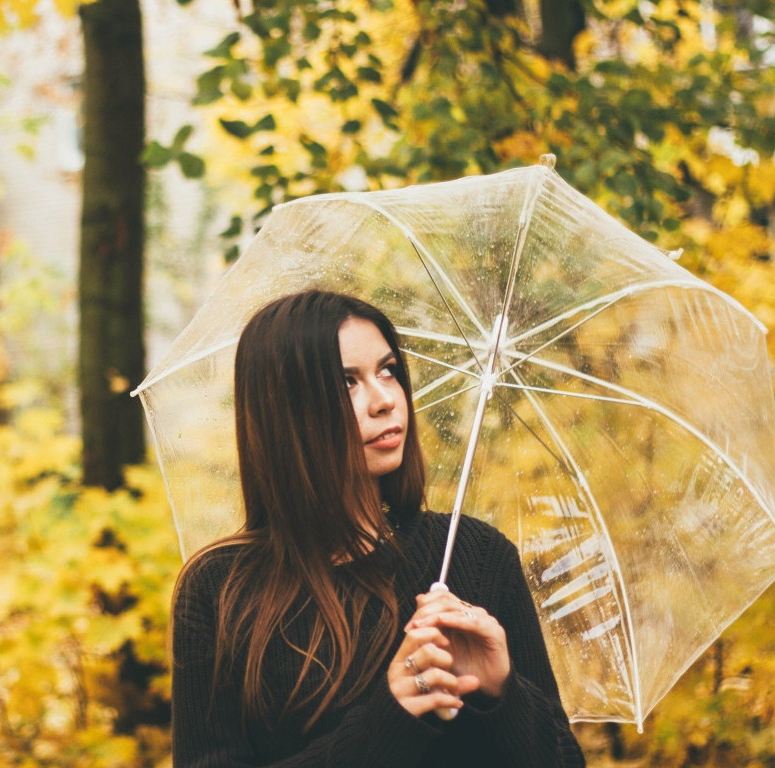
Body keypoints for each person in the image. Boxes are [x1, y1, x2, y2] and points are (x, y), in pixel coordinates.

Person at [170, 290, 585, 767]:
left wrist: (500, 692)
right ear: (286, 412)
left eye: (388, 370)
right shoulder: (221, 590)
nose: (386, 399)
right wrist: (389, 722)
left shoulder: (477, 556)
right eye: (347, 382)